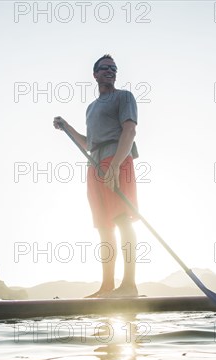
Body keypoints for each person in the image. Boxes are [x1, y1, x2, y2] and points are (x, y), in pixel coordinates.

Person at [53, 54, 140, 298]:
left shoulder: (124, 97)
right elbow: (89, 144)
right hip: (95, 165)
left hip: (117, 160)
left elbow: (130, 130)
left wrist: (115, 165)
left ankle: (129, 286)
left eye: (114, 68)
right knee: (103, 227)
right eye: (105, 68)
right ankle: (107, 287)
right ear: (95, 74)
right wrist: (66, 127)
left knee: (123, 220)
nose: (110, 71)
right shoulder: (91, 108)